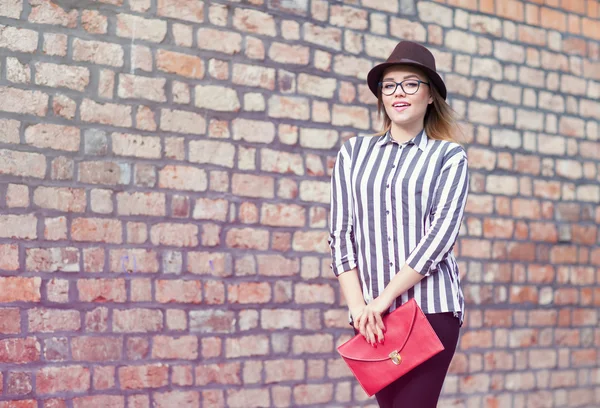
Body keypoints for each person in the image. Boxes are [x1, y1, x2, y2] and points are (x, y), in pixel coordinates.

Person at [328, 41, 470, 408]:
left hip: (429, 310)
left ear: (430, 96)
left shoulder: (448, 156)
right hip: (372, 319)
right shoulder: (353, 153)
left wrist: (383, 300)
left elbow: (439, 238)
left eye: (411, 83)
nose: (398, 92)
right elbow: (341, 234)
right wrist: (359, 308)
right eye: (389, 85)